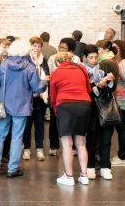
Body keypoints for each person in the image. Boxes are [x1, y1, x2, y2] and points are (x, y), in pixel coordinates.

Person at [0, 38, 45, 178]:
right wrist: (44, 83)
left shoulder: (5, 65)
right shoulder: (29, 67)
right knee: (17, 137)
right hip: (21, 106)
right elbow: (38, 87)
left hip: (4, 105)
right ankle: (12, 169)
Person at [49, 51, 92, 186]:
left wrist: (56, 110)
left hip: (65, 106)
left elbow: (53, 96)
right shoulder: (82, 69)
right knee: (81, 142)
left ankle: (69, 177)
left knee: (67, 143)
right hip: (84, 105)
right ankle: (84, 176)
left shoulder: (56, 73)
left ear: (57, 62)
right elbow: (88, 89)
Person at [22, 36, 50, 161]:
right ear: (31, 46)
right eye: (34, 46)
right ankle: (26, 149)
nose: (37, 48)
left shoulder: (44, 60)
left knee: (39, 124)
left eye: (39, 46)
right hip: (28, 97)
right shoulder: (25, 59)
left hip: (40, 97)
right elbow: (24, 77)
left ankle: (39, 149)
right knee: (27, 125)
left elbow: (47, 75)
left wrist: (44, 79)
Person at [92, 58, 119, 181]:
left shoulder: (111, 82)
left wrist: (109, 82)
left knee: (105, 140)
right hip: (96, 113)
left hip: (107, 113)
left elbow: (111, 90)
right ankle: (94, 165)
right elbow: (94, 92)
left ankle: (105, 166)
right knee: (96, 141)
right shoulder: (94, 75)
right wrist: (100, 84)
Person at [81, 44, 104, 179]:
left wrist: (106, 85)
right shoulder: (81, 70)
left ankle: (96, 164)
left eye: (96, 57)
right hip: (84, 106)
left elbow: (109, 89)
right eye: (91, 57)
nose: (94, 60)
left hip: (98, 107)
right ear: (85, 58)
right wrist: (95, 86)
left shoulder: (101, 70)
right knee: (85, 138)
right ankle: (88, 166)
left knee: (96, 136)